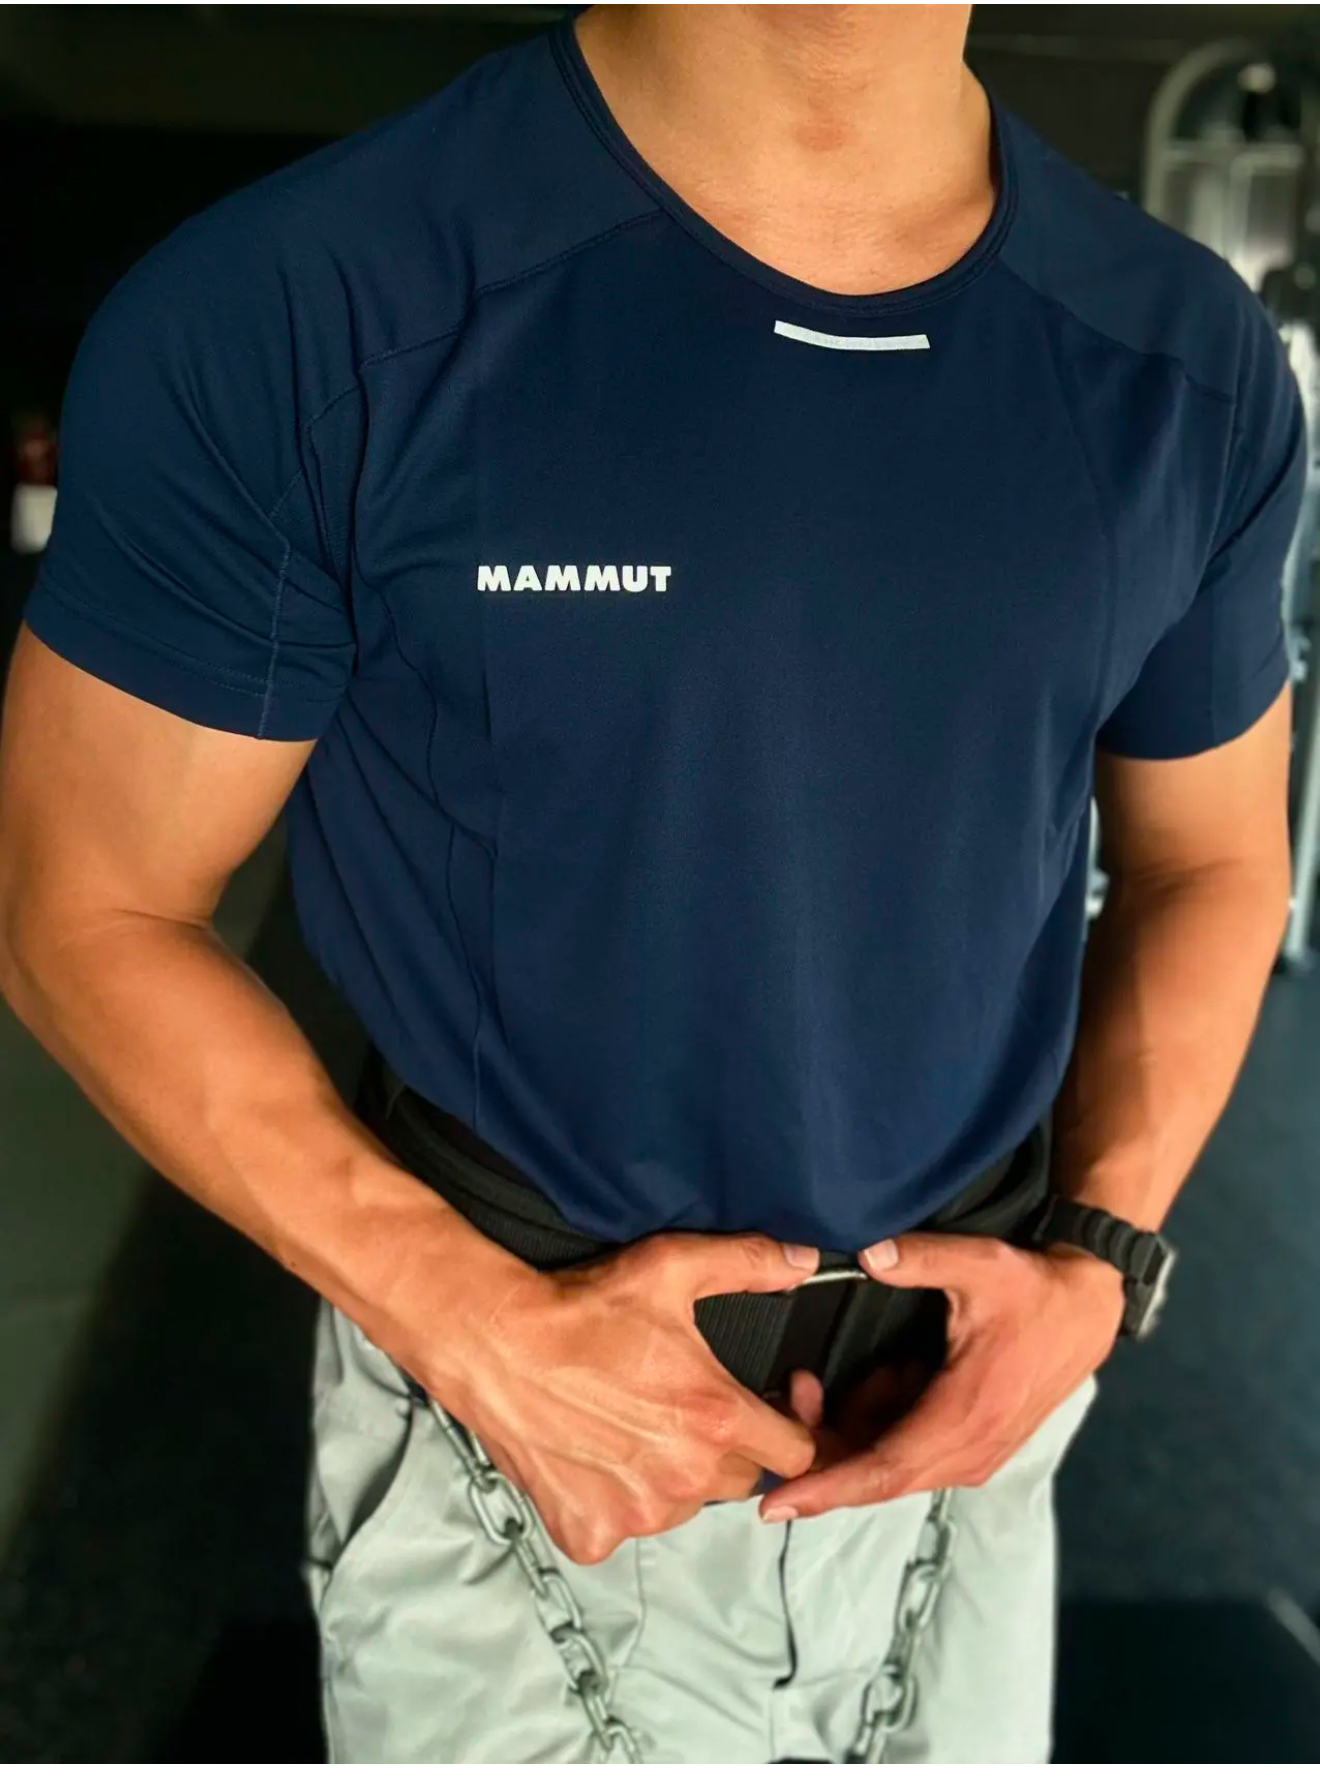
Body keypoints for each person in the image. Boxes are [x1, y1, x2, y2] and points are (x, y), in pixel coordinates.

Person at [0, 2, 1304, 1763]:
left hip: (966, 1415)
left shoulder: (1185, 357)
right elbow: (86, 910)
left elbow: (1210, 858)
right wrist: (471, 1320)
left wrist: (1097, 1254)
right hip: (519, 1408)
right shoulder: (299, 307)